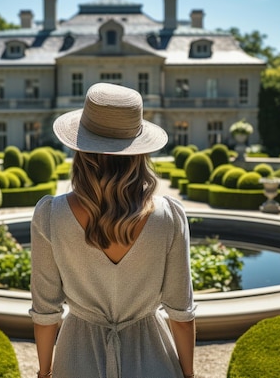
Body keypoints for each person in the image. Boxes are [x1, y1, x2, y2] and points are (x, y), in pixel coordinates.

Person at [30, 82, 196, 378]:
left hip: (77, 359)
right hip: (152, 359)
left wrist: (44, 372)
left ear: (81, 150)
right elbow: (181, 315)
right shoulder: (170, 216)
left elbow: (45, 314)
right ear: (138, 152)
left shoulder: (49, 215)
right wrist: (189, 374)